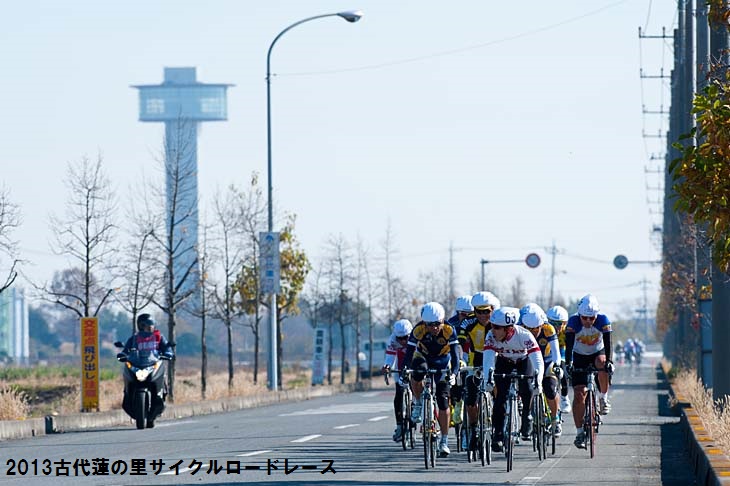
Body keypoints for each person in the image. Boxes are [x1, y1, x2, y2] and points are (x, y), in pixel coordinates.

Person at [482, 306, 544, 453]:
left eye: (497, 327)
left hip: (524, 361)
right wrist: (488, 379)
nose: (493, 330)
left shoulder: (524, 335)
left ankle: (527, 415)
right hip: (504, 362)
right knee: (500, 398)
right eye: (492, 326)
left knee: (527, 388)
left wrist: (538, 380)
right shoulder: (491, 335)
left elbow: (537, 360)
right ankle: (498, 434)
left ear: (508, 329)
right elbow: (488, 360)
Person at [403, 302, 460, 457]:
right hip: (424, 357)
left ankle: (444, 440)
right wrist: (405, 369)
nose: (434, 328)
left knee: (442, 400)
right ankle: (418, 402)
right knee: (416, 371)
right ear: (424, 323)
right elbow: (409, 353)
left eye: (437, 324)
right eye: (430, 325)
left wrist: (454, 373)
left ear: (442, 321)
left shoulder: (449, 330)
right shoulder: (418, 329)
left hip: (443, 361)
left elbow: (456, 355)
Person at [564, 294, 614, 449]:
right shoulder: (573, 322)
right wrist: (568, 364)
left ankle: (603, 398)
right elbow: (569, 345)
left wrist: (610, 362)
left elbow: (608, 342)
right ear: (579, 315)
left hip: (597, 352)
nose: (588, 321)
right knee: (579, 395)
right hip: (579, 356)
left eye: (591, 318)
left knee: (602, 363)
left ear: (596, 316)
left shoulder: (603, 320)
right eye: (584, 318)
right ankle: (579, 433)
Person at [460, 290, 500, 450]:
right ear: (474, 311)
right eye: (479, 312)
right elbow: (460, 343)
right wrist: (461, 360)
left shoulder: (498, 321)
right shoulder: (467, 323)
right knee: (471, 398)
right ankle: (474, 428)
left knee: (499, 393)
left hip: (497, 358)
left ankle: (499, 424)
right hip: (476, 358)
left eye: (487, 312)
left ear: (492, 309)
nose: (483, 315)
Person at [119, 313, 174, 427]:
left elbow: (166, 348)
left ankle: (161, 394)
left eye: (152, 325)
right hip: (138, 365)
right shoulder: (134, 338)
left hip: (153, 364)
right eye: (147, 325)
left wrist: (168, 353)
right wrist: (123, 354)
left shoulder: (159, 337)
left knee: (161, 377)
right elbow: (126, 350)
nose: (150, 328)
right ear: (141, 326)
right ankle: (129, 397)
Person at [521, 303, 563, 437]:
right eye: (528, 329)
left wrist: (557, 365)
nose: (532, 332)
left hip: (547, 361)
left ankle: (555, 419)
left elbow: (556, 351)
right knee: (524, 387)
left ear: (542, 324)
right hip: (528, 361)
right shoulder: (519, 328)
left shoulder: (548, 329)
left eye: (535, 329)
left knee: (550, 388)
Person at [381, 318, 414, 442]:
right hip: (400, 365)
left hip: (415, 362)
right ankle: (400, 425)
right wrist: (387, 367)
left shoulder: (417, 337)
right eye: (400, 338)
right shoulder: (392, 341)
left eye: (406, 337)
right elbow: (390, 358)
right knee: (399, 394)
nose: (403, 341)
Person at [447, 295, 476, 428]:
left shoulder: (477, 321)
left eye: (471, 314)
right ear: (458, 313)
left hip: (474, 351)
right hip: (458, 351)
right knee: (455, 370)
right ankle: (457, 401)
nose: (467, 317)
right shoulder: (451, 323)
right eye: (464, 314)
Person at [546, 305, 571, 414]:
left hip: (562, 352)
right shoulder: (545, 330)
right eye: (552, 323)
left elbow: (570, 348)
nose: (556, 327)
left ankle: (565, 397)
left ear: (565, 324)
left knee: (563, 370)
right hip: (547, 353)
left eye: (559, 324)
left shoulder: (567, 332)